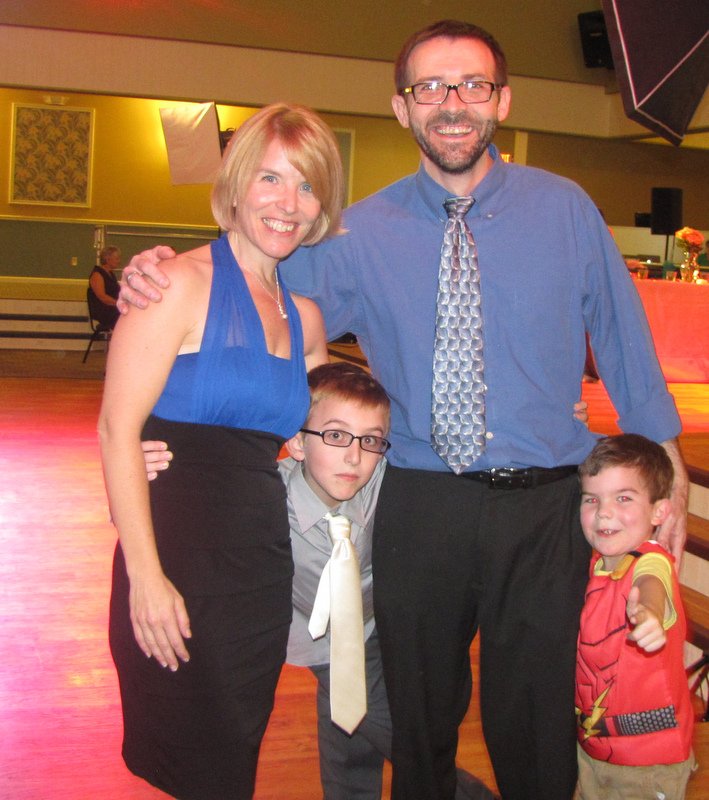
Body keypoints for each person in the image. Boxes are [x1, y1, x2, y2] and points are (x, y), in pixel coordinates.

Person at [117, 19, 688, 800]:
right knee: (417, 720)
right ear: (401, 107)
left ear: (501, 100)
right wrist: (156, 270)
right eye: (430, 88)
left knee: (532, 721)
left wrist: (666, 461)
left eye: (472, 85)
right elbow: (249, 279)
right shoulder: (358, 232)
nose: (452, 103)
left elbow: (621, 336)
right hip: (419, 503)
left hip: (544, 508)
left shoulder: (564, 209)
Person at [98, 103, 344, 800]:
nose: (287, 203)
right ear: (235, 185)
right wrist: (145, 579)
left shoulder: (308, 320)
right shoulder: (174, 284)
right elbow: (116, 429)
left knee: (233, 756)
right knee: (191, 761)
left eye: (306, 186)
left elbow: (322, 436)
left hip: (258, 569)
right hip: (175, 561)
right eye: (270, 179)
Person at [141, 361, 499, 800]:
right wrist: (146, 475)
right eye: (335, 436)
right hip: (310, 636)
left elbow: (459, 473)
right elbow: (187, 510)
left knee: (351, 738)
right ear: (296, 442)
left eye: (370, 440)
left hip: (373, 628)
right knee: (407, 742)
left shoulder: (388, 482)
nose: (354, 456)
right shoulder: (263, 499)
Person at [575, 434, 695, 800]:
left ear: (659, 512)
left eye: (623, 498)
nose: (604, 512)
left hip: (648, 763)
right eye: (592, 499)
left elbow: (651, 583)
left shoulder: (650, 560)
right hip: (595, 749)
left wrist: (649, 613)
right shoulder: (598, 565)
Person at [88, 245, 122, 329]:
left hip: (113, 308)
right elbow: (102, 297)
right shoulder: (97, 274)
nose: (119, 261)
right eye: (117, 258)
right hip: (105, 310)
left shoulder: (111, 274)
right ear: (107, 259)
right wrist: (118, 303)